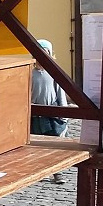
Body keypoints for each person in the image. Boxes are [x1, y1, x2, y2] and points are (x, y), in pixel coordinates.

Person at [31, 38, 68, 184]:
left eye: (45, 53)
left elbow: (60, 93)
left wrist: (63, 113)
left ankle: (57, 172)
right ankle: (42, 171)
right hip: (35, 115)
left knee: (54, 145)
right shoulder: (31, 73)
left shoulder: (53, 73)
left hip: (51, 114)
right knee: (37, 144)